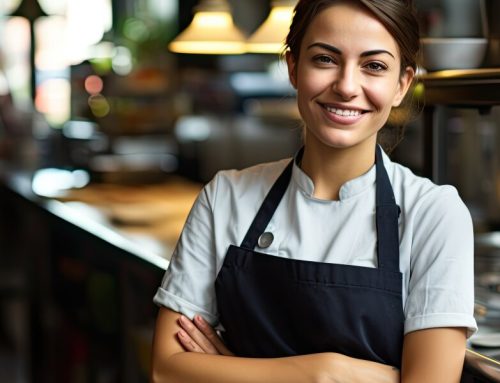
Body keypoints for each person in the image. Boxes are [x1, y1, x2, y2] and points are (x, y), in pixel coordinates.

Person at [151, 0, 477, 382]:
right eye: (325, 59)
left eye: (373, 66)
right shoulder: (225, 197)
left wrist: (230, 369)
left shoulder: (434, 213)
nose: (346, 86)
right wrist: (324, 371)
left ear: (402, 85)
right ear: (293, 67)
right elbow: (167, 369)